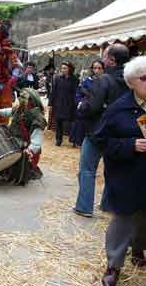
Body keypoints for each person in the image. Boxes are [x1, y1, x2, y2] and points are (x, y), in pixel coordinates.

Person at [93, 56, 146, 286]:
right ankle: (113, 265)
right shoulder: (118, 109)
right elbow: (100, 140)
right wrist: (130, 145)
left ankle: (138, 250)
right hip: (127, 175)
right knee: (123, 219)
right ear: (131, 82)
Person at [73, 44, 130, 218]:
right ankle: (107, 205)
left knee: (87, 170)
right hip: (123, 133)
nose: (103, 60)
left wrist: (81, 106)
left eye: (105, 57)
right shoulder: (133, 79)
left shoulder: (103, 80)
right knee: (113, 169)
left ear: (111, 60)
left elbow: (92, 107)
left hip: (98, 132)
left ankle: (84, 207)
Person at [0, 88, 47, 184]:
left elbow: (37, 139)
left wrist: (30, 150)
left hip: (24, 143)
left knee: (15, 150)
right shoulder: (21, 108)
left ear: (31, 100)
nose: (20, 98)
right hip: (12, 138)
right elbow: (10, 111)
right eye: (20, 96)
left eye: (23, 97)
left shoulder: (38, 117)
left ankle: (15, 175)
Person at [69, 60, 104, 149]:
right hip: (86, 111)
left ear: (103, 69)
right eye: (95, 68)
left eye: (99, 68)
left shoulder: (106, 81)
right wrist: (81, 103)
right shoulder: (86, 81)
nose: (97, 70)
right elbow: (78, 94)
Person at [50, 62, 79, 146]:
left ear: (69, 69)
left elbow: (76, 92)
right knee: (58, 121)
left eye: (65, 68)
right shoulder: (57, 78)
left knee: (69, 122)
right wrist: (51, 103)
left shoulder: (75, 79)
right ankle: (58, 140)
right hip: (58, 103)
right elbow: (53, 91)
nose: (63, 70)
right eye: (62, 68)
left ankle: (73, 140)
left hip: (70, 103)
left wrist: (75, 103)